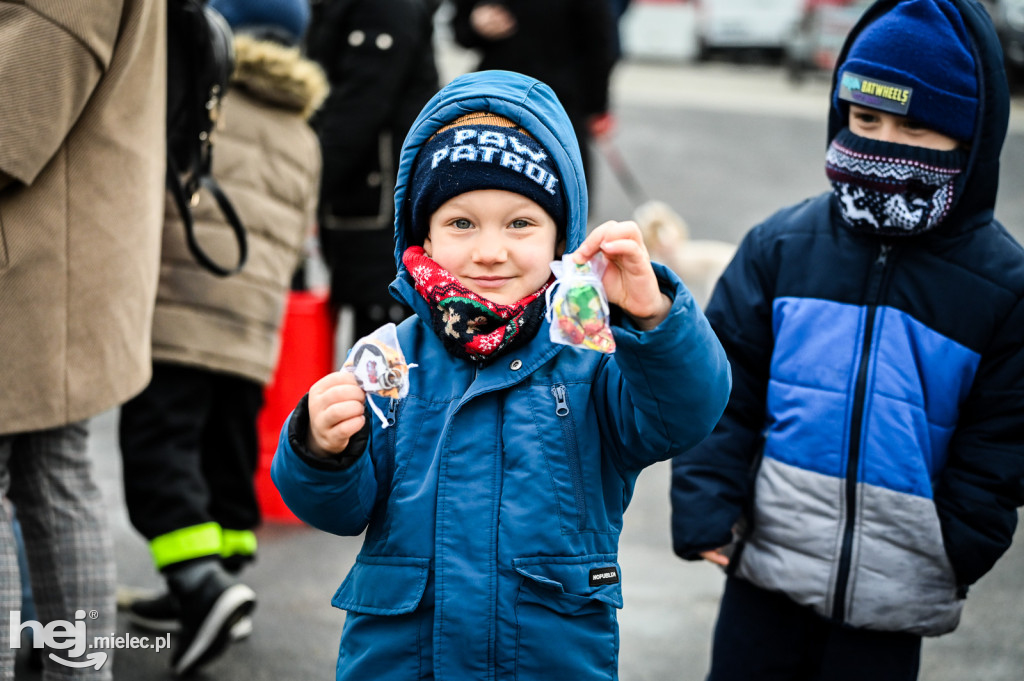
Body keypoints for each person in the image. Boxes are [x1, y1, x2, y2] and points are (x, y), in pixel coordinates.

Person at [270, 69, 731, 680]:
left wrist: (653, 317)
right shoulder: (389, 357)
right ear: (424, 238)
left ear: (560, 238)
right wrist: (320, 448)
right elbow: (338, 510)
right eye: (462, 223)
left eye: (520, 223)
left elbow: (684, 413)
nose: (491, 250)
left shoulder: (591, 352)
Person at [669, 1, 1024, 680]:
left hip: (894, 595)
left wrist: (955, 541)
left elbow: (1003, 438)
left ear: (970, 137)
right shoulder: (782, 246)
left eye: (915, 127)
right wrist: (707, 503)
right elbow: (721, 382)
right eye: (866, 120)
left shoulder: (1002, 287)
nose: (884, 144)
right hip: (762, 570)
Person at [116, 0, 327, 675]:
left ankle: (201, 587)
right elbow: (298, 235)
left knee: (160, 453)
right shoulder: (304, 130)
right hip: (252, 329)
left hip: (178, 314)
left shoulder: (199, 94)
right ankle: (223, 578)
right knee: (224, 453)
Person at [0, 0, 165, 678]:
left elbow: (12, 112)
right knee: (53, 472)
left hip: (35, 260)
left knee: (51, 474)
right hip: (59, 251)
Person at [307, 0, 441, 344]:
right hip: (367, 195)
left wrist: (309, 184)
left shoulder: (384, 9)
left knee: (384, 337)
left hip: (378, 199)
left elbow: (359, 106)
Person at [450, 0, 617, 191]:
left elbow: (600, 43)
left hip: (559, 104)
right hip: (497, 96)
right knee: (485, 186)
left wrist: (596, 107)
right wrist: (475, 26)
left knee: (562, 190)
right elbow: (460, 28)